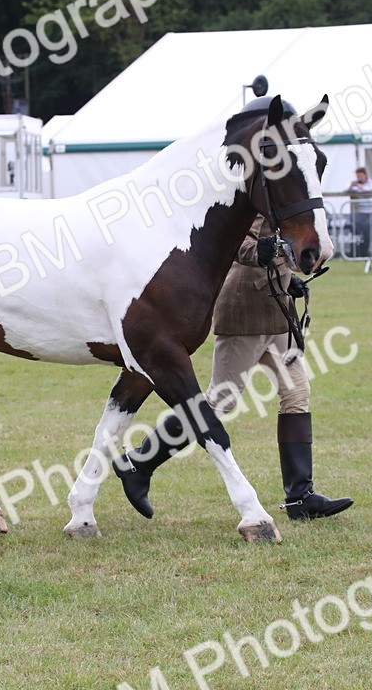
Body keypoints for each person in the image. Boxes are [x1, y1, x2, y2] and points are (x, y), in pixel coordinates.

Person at [113, 214, 354, 522]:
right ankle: (139, 463)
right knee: (218, 401)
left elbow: (283, 246)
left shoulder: (288, 203)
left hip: (277, 315)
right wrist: (262, 254)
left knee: (297, 393)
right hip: (244, 315)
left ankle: (300, 497)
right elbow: (240, 243)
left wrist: (286, 277)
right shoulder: (258, 202)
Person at [346, 167, 372, 257]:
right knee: (359, 235)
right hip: (359, 212)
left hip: (369, 212)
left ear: (365, 175)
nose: (359, 178)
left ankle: (367, 252)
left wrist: (362, 187)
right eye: (358, 176)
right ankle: (358, 253)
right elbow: (346, 191)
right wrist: (351, 187)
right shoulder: (356, 184)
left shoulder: (371, 183)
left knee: (368, 234)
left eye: (360, 175)